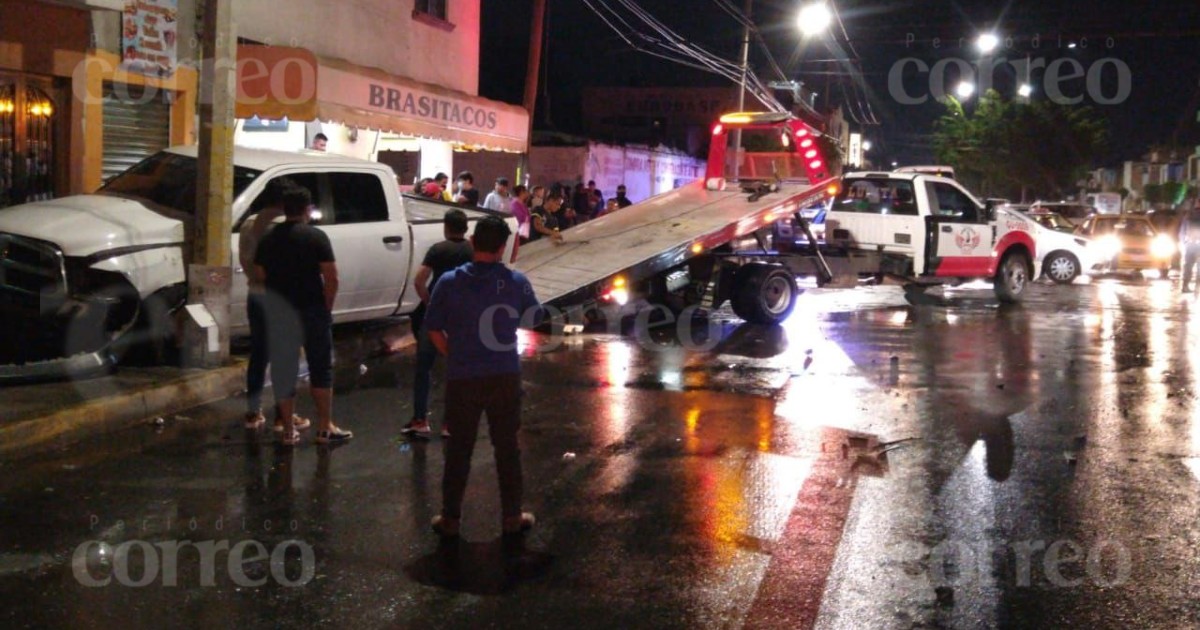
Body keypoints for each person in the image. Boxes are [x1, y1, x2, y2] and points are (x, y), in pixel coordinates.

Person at [424, 216, 543, 538]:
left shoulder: (449, 282)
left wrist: (453, 353)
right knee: (507, 447)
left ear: (473, 241)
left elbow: (433, 328)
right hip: (504, 375)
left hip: (462, 376)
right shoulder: (516, 282)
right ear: (503, 248)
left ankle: (450, 519)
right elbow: (535, 318)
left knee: (459, 449)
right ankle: (512, 517)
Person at [253, 186, 352, 446]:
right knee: (320, 368)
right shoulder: (316, 237)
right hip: (312, 311)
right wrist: (326, 307)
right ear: (308, 209)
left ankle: (287, 431)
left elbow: (260, 275)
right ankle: (324, 428)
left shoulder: (268, 238)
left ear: (284, 209)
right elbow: (332, 276)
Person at [238, 178, 311, 435]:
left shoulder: (248, 223)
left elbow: (245, 258)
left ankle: (252, 411)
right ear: (284, 201)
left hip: (255, 294)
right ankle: (283, 416)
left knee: (259, 354)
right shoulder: (283, 226)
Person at [402, 209, 474, 439]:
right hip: (461, 316)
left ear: (446, 227)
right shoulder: (472, 251)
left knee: (424, 367)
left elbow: (419, 280)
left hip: (435, 315)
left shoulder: (438, 250)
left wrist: (429, 302)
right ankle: (449, 424)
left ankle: (420, 420)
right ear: (465, 228)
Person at [1179, 209, 1200, 292]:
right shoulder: (1189, 215)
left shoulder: (1189, 215)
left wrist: (1184, 243)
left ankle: (1185, 286)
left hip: (1189, 245)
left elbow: (1182, 232)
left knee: (1188, 267)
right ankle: (1197, 287)